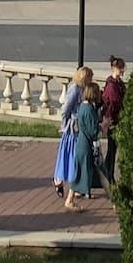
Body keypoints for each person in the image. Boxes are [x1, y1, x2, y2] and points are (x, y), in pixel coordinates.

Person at [64, 81, 102, 211]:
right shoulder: (89, 110)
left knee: (81, 172)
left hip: (81, 144)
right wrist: (102, 126)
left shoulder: (82, 107)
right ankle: (69, 200)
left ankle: (70, 199)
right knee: (94, 172)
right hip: (87, 147)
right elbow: (93, 131)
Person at [52, 66, 89, 196]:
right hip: (72, 128)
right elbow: (66, 109)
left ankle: (75, 184)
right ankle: (59, 179)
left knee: (75, 156)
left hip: (79, 127)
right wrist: (64, 125)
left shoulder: (84, 89)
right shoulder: (74, 89)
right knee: (69, 155)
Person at [100, 56, 126, 184]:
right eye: (120, 69)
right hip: (113, 121)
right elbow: (113, 104)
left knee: (113, 149)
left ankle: (108, 174)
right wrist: (108, 121)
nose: (122, 71)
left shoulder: (118, 83)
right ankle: (108, 175)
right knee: (112, 149)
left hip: (117, 120)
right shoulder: (112, 85)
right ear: (114, 68)